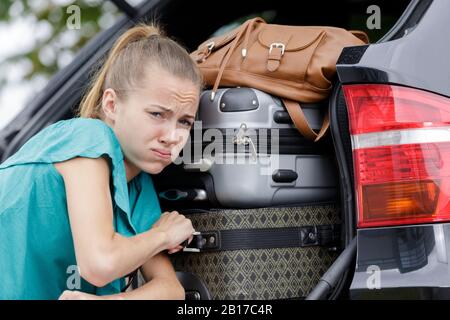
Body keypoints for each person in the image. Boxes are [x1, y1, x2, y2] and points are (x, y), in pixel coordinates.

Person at [0, 23, 203, 300]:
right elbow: (100, 263)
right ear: (111, 105)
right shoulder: (87, 138)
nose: (172, 136)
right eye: (157, 114)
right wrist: (163, 236)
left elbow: (170, 290)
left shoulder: (138, 186)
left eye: (184, 121)